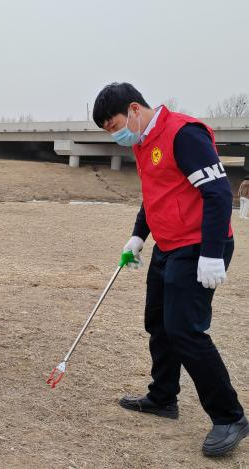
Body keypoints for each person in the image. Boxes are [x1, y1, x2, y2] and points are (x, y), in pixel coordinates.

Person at [93, 82, 247, 457]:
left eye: (114, 125)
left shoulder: (183, 133)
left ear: (133, 109)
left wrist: (211, 253)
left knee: (185, 331)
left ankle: (230, 416)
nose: (115, 135)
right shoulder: (144, 144)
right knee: (158, 322)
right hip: (169, 245)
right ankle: (163, 397)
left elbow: (218, 193)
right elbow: (155, 196)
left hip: (198, 247)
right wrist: (137, 237)